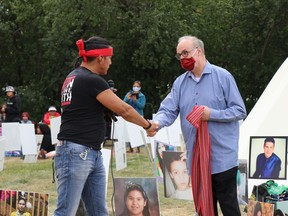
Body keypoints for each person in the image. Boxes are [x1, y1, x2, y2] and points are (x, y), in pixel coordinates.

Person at [54, 36, 156, 216]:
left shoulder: (73, 76)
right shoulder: (91, 80)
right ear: (100, 57)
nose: (110, 63)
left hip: (87, 151)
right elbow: (125, 109)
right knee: (66, 212)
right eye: (109, 58)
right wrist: (147, 125)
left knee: (98, 211)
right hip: (78, 151)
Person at [149, 36, 246, 215]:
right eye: (179, 55)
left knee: (229, 208)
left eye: (185, 53)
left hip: (222, 158)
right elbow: (168, 110)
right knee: (203, 209)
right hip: (197, 159)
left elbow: (239, 110)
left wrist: (211, 114)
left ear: (198, 51)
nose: (182, 58)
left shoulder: (223, 77)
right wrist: (157, 123)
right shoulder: (180, 83)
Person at [123, 81, 146, 153]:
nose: (135, 88)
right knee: (129, 132)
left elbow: (142, 106)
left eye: (137, 86)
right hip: (129, 115)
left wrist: (135, 101)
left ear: (140, 88)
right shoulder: (128, 94)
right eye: (134, 86)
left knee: (138, 132)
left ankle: (138, 148)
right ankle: (130, 148)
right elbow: (123, 103)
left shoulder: (142, 96)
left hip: (138, 115)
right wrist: (128, 99)